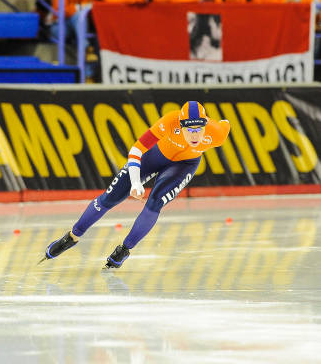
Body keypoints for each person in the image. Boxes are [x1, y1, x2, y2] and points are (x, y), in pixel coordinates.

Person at [41, 101, 230, 268]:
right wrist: (135, 182)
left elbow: (225, 125)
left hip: (184, 165)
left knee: (156, 201)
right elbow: (137, 149)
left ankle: (124, 250)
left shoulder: (217, 134)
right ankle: (72, 236)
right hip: (154, 157)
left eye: (199, 129)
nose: (195, 135)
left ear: (206, 125)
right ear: (180, 126)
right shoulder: (169, 122)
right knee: (111, 196)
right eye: (189, 129)